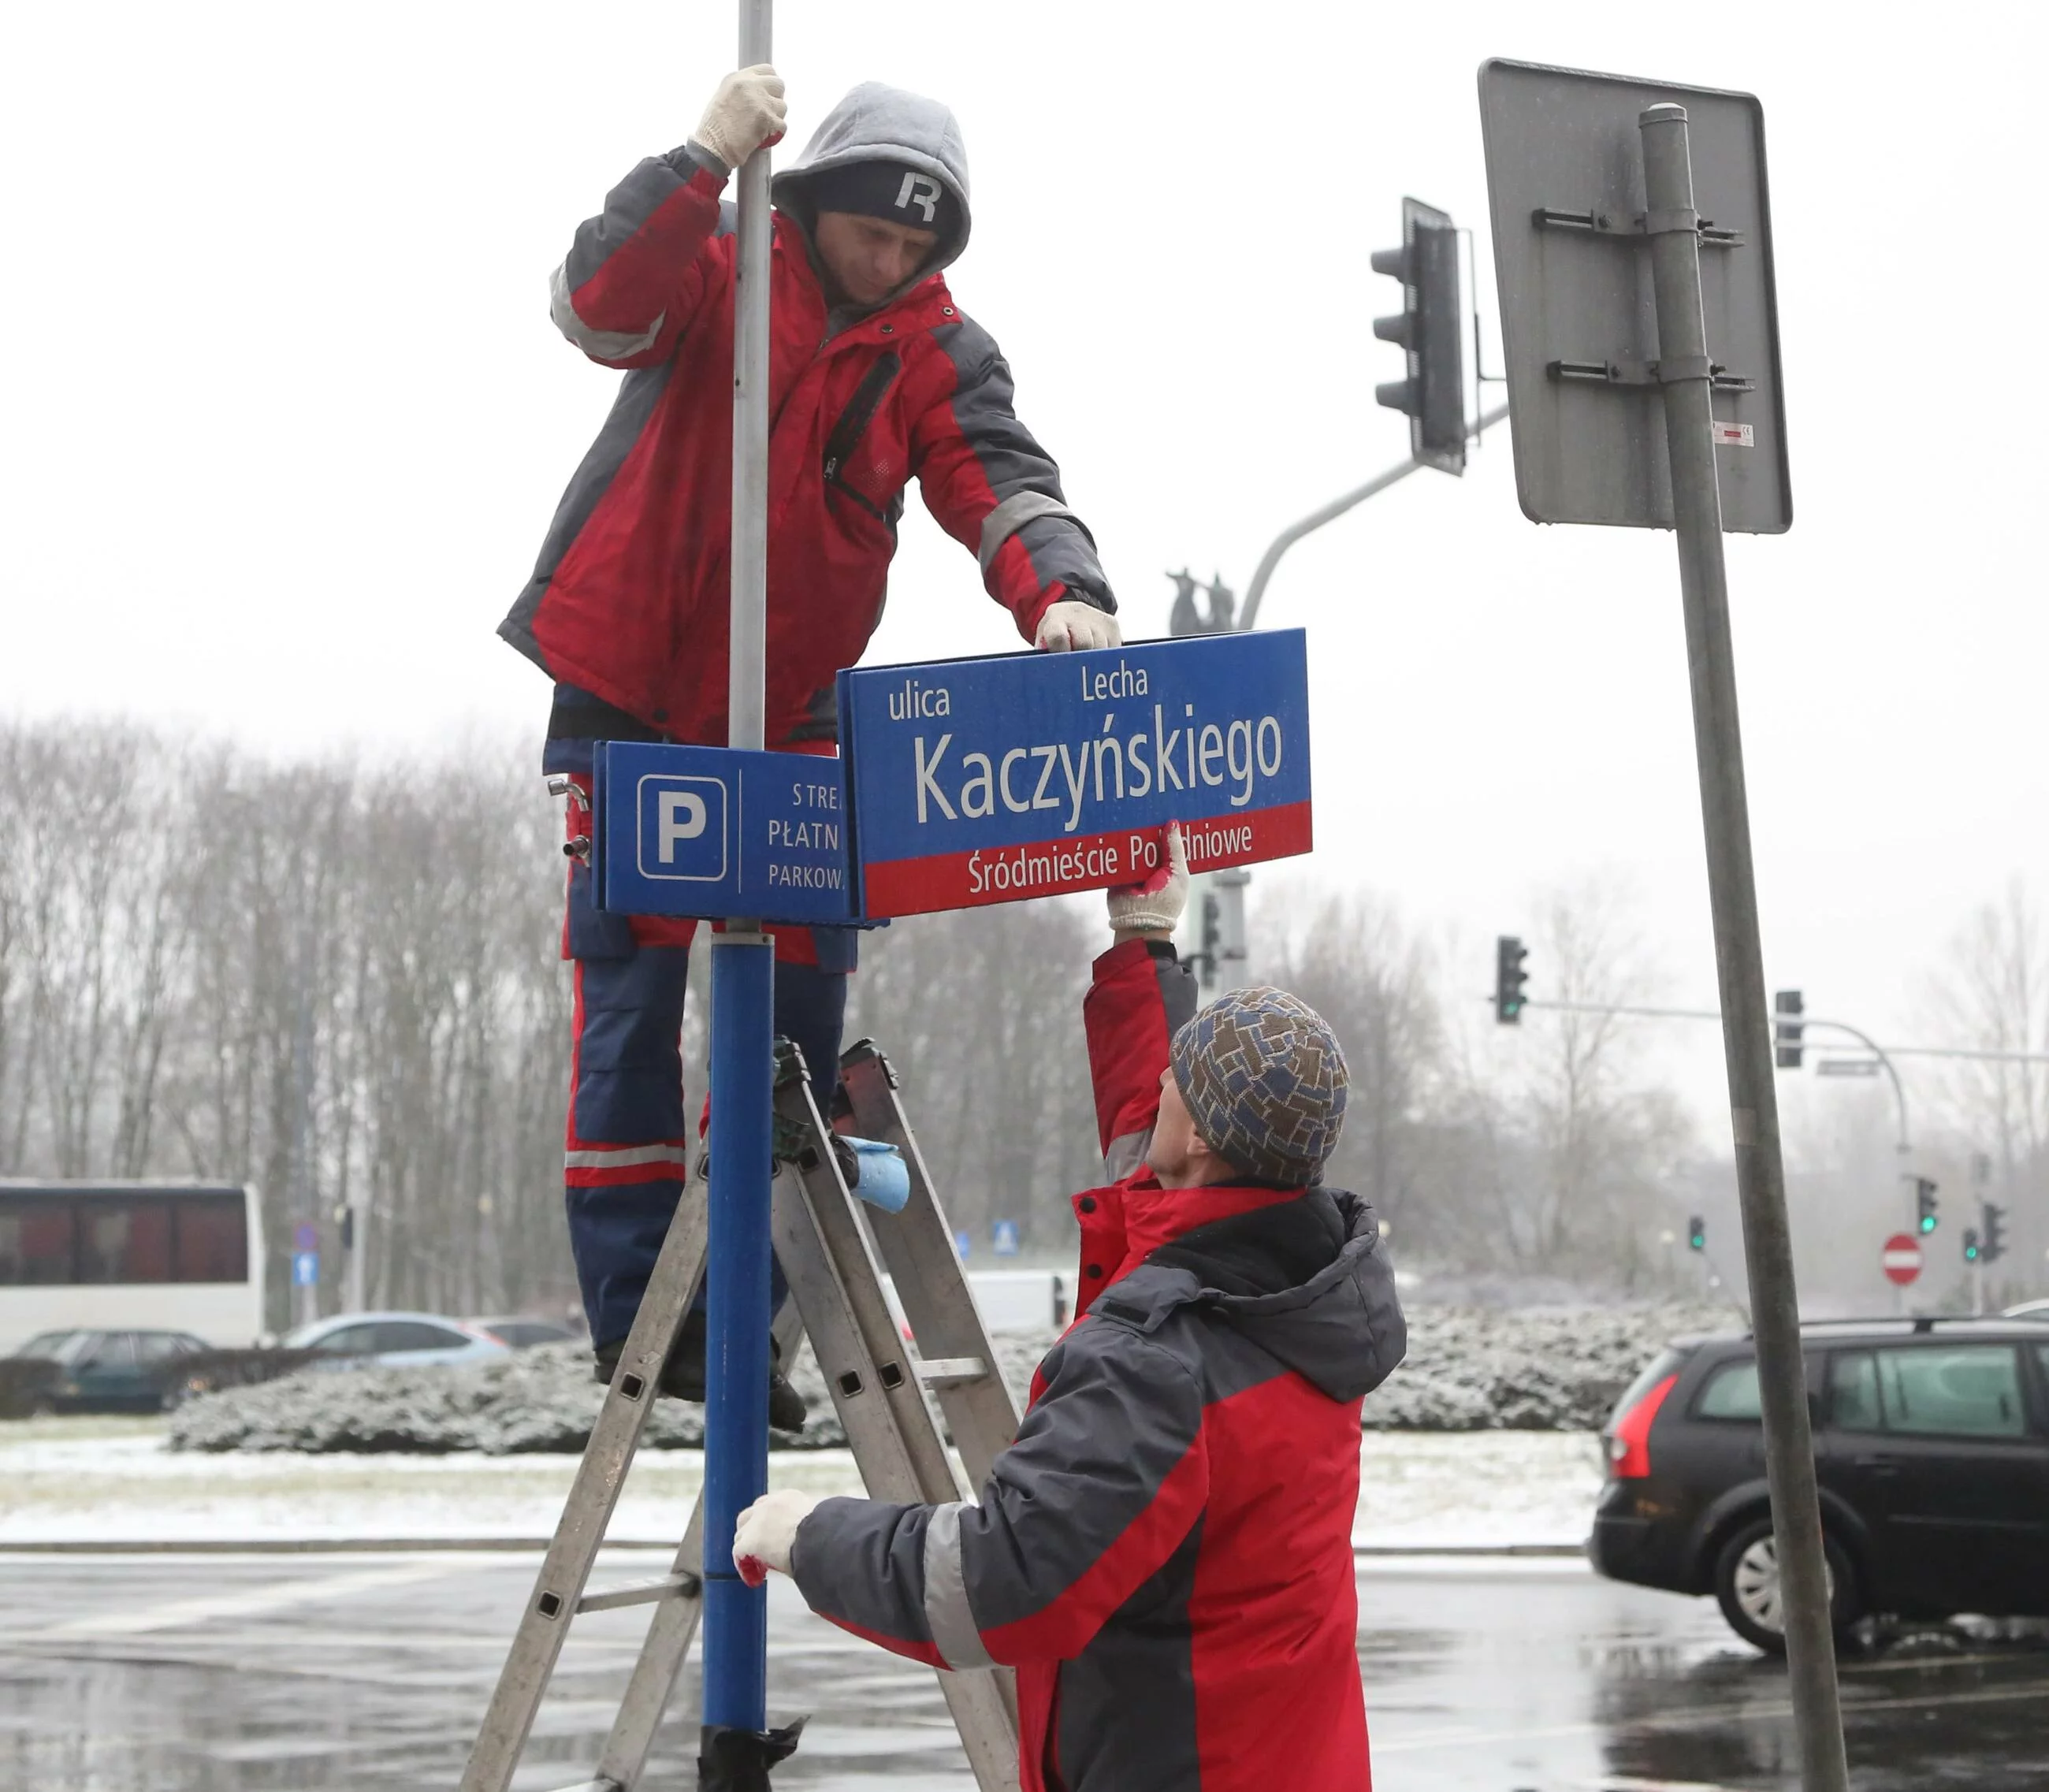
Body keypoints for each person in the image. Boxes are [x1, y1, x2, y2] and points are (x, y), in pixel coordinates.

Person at [498, 66, 1119, 1420]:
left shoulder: (940, 354)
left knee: (789, 1041)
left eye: (915, 242)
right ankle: (638, 1329)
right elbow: (593, 307)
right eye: (869, 231)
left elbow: (1004, 481)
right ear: (821, 198)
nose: (887, 257)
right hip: (635, 699)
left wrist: (1060, 591)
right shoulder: (717, 258)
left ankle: (745, 1323)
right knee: (628, 1026)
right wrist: (695, 160)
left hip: (795, 725)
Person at [733, 829, 1408, 1790]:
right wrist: (1143, 943)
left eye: (1182, 1079)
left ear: (1208, 1140)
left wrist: (808, 1535)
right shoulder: (1297, 1289)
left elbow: (1001, 1585)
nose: (1162, 1083)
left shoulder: (1154, 1364)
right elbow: (1160, 1140)